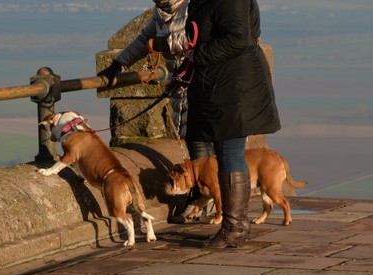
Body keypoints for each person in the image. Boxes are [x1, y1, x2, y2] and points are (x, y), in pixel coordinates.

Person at [184, 0, 281, 248]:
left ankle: (234, 226)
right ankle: (235, 224)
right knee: (227, 151)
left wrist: (198, 55)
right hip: (223, 85)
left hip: (233, 87)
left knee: (229, 152)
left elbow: (239, 38)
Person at [97, 0, 204, 222]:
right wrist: (118, 64)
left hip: (200, 82)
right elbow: (144, 42)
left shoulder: (193, 6)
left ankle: (199, 198)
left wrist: (162, 43)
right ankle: (200, 197)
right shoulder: (161, 13)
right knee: (191, 142)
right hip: (179, 86)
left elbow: (194, 39)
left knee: (201, 142)